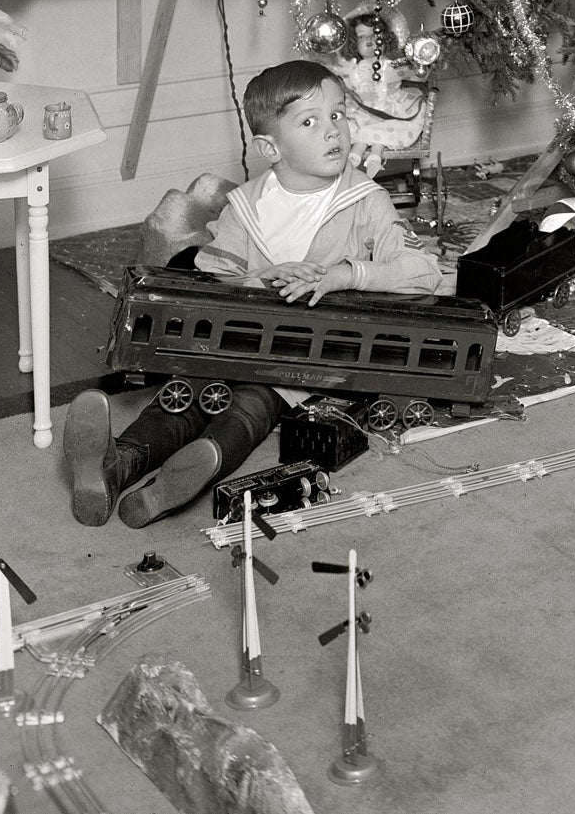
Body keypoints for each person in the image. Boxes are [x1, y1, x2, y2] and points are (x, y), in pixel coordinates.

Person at [62, 60, 442, 528]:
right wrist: (264, 278)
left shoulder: (365, 202)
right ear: (270, 147)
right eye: (310, 121)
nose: (333, 131)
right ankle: (119, 464)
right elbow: (211, 276)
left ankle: (185, 478)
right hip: (231, 345)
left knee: (251, 407)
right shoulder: (246, 206)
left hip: (299, 360)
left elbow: (424, 272)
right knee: (184, 396)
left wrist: (346, 273)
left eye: (338, 114)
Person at [327, 10, 438, 174]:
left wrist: (423, 61)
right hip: (362, 111)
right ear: (353, 42)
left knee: (381, 128)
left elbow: (416, 74)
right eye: (362, 37)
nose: (370, 41)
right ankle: (354, 156)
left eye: (375, 34)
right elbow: (342, 81)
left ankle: (375, 157)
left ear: (386, 38)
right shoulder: (354, 68)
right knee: (356, 127)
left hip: (390, 109)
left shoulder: (391, 65)